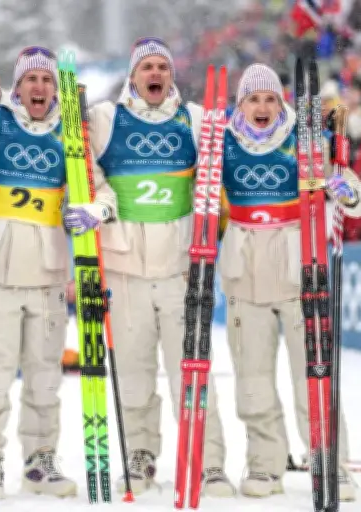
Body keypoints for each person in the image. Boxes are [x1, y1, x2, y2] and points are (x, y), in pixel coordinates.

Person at [62, 37, 235, 497]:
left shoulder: (195, 119)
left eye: (163, 66)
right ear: (133, 76)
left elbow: (225, 166)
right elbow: (78, 167)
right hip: (122, 270)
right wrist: (99, 205)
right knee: (134, 375)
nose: (156, 74)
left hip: (181, 270)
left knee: (193, 372)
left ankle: (208, 462)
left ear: (170, 75)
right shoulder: (103, 118)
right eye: (147, 67)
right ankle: (140, 457)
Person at [217, 63, 361, 501]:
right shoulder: (222, 141)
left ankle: (331, 462)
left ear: (280, 102)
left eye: (269, 98)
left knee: (314, 379)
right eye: (252, 99)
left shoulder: (304, 141)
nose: (261, 107)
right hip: (245, 271)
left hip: (301, 268)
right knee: (253, 380)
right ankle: (265, 466)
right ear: (240, 103)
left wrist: (347, 190)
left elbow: (357, 196)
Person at [0, 46, 76, 500]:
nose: (40, 87)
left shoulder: (72, 133)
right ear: (17, 85)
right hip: (0, 266)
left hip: (47, 268)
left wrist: (91, 209)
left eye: (47, 80)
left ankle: (40, 460)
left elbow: (91, 187)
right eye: (31, 79)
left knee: (45, 372)